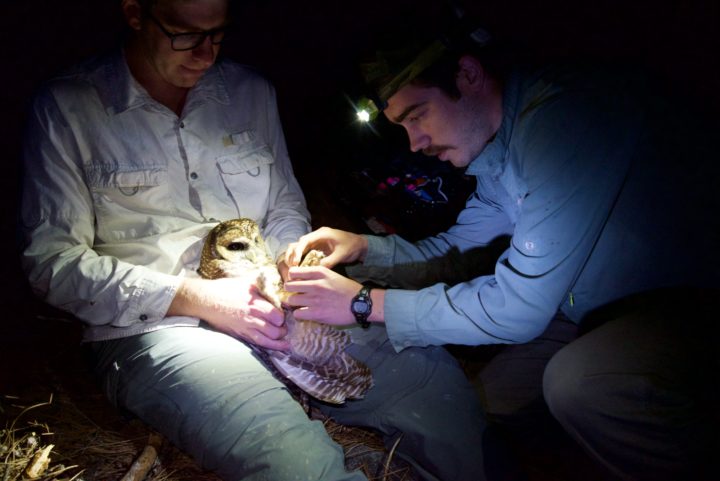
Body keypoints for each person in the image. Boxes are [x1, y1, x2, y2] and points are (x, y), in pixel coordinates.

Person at [19, 1, 494, 480]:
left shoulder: (250, 91)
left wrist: (290, 269)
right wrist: (195, 296)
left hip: (281, 301)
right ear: (136, 13)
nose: (205, 55)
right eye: (184, 34)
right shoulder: (69, 106)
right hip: (162, 327)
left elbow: (285, 209)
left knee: (438, 390)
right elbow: (52, 263)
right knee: (298, 466)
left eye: (218, 34)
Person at [283, 14, 720, 481]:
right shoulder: (497, 155)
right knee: (481, 408)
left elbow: (518, 309)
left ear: (468, 74)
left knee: (583, 385)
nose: (415, 143)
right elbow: (454, 251)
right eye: (403, 126)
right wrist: (363, 248)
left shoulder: (565, 116)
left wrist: (366, 304)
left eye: (417, 115)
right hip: (589, 312)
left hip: (688, 306)